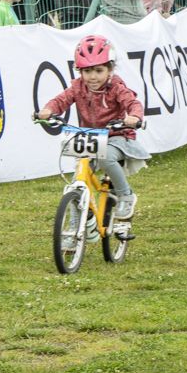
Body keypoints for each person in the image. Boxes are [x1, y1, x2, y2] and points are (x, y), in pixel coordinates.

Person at [38, 35, 149, 235]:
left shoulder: (116, 87)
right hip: (91, 138)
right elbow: (61, 100)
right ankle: (77, 227)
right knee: (77, 182)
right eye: (87, 71)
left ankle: (126, 195)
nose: (93, 77)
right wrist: (48, 110)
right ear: (80, 71)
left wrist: (134, 116)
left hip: (117, 136)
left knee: (106, 158)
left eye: (99, 70)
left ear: (110, 69)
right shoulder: (78, 87)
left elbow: (133, 103)